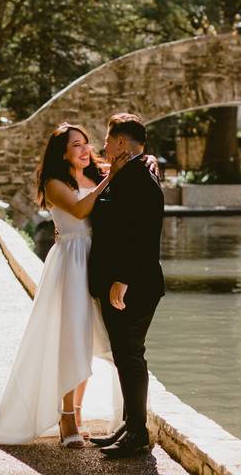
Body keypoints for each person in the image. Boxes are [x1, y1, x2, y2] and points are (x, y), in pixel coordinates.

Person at [0, 123, 129, 448]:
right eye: (76, 145)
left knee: (89, 339)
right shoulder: (54, 183)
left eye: (86, 143)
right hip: (72, 261)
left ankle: (77, 412)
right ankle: (66, 421)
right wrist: (110, 178)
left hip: (96, 260)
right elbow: (79, 209)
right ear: (62, 152)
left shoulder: (93, 175)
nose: (84, 149)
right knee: (71, 339)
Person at [87, 113, 166, 459]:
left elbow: (144, 236)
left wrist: (123, 279)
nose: (102, 146)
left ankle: (137, 433)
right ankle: (130, 424)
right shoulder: (125, 173)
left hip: (134, 285)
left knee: (131, 355)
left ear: (121, 142)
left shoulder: (141, 178)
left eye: (107, 140)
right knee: (125, 355)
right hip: (118, 282)